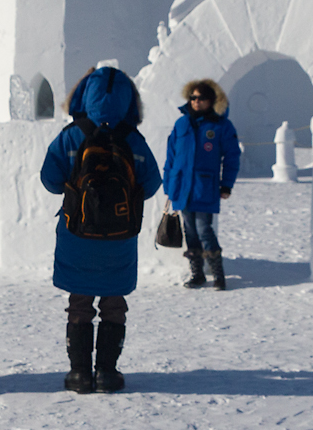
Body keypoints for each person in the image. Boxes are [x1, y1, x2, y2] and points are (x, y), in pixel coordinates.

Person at [40, 66, 161, 393]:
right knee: (113, 303)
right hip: (119, 237)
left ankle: (79, 374)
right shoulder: (133, 140)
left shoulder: (71, 135)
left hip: (76, 234)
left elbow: (50, 180)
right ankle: (107, 373)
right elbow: (151, 184)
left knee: (79, 302)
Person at [163, 78, 241, 291]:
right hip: (182, 186)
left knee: (204, 229)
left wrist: (226, 185)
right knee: (190, 230)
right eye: (193, 97)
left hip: (204, 185)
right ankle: (197, 274)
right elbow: (171, 156)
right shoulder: (182, 124)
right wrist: (169, 186)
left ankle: (218, 274)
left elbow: (232, 156)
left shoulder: (220, 126)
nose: (196, 102)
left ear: (211, 100)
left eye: (202, 98)